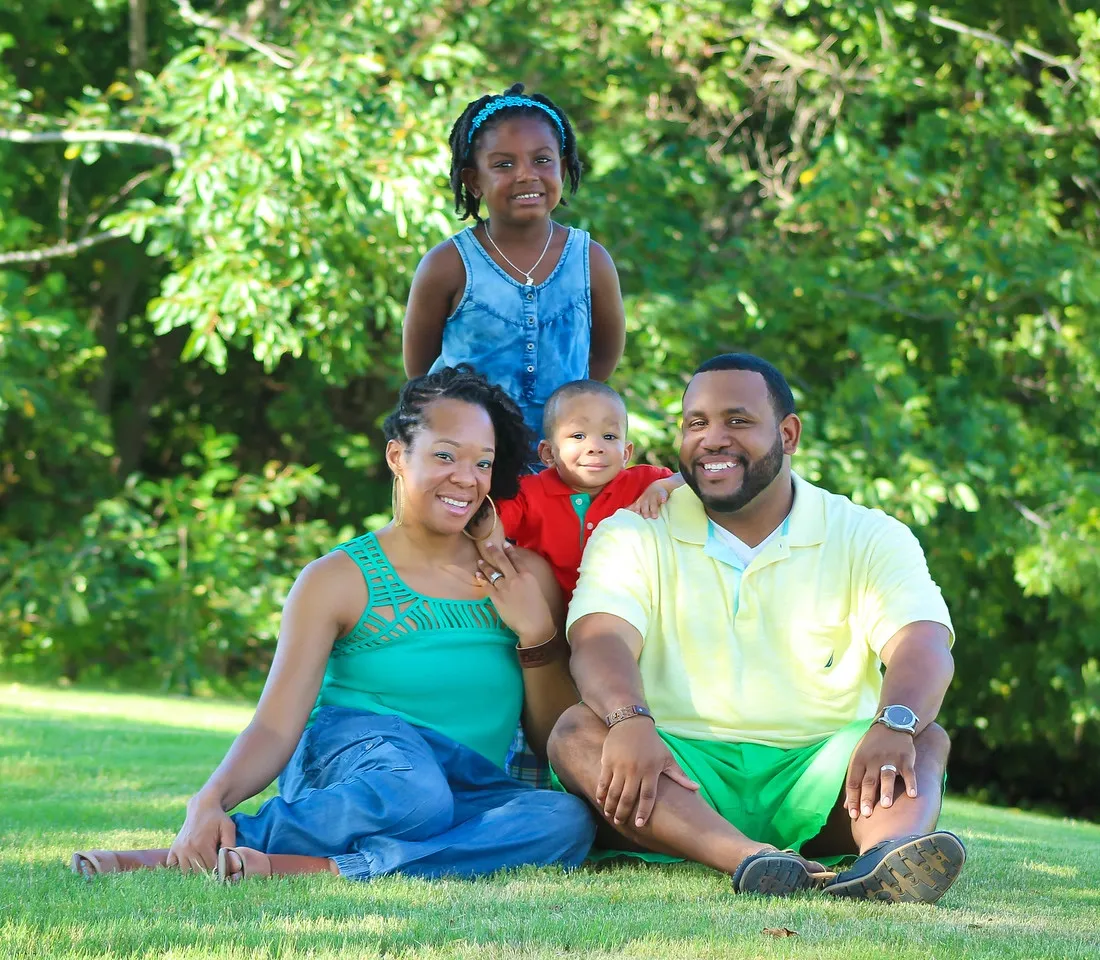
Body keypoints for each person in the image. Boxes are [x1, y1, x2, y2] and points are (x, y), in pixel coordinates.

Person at [71, 366, 596, 882]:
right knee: (415, 793)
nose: (466, 478)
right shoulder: (336, 579)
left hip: (467, 785)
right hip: (360, 761)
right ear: (397, 455)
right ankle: (199, 847)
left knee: (564, 821)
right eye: (444, 455)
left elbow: (554, 735)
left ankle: (326, 868)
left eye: (483, 463)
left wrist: (536, 637)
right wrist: (209, 799)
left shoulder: (524, 576)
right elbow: (275, 725)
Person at [548, 353, 966, 904]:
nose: (712, 439)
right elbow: (599, 639)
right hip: (678, 770)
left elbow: (923, 641)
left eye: (737, 421)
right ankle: (748, 859)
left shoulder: (869, 534)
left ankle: (882, 861)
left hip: (820, 774)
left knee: (924, 737)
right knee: (577, 733)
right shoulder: (632, 533)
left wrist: (895, 722)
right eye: (696, 423)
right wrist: (629, 719)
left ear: (788, 434)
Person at [401, 82, 627, 450]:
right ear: (473, 181)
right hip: (471, 464)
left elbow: (603, 356)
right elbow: (419, 371)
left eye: (542, 160)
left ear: (563, 167)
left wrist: (569, 413)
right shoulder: (448, 265)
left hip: (562, 466)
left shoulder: (591, 261)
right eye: (503, 164)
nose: (526, 175)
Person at [471, 379, 683, 603]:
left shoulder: (645, 481)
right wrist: (494, 556)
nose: (595, 446)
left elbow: (696, 481)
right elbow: (488, 519)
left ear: (626, 453)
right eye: (578, 436)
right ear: (548, 454)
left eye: (609, 436)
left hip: (626, 609)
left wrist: (665, 486)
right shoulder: (529, 492)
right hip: (549, 611)